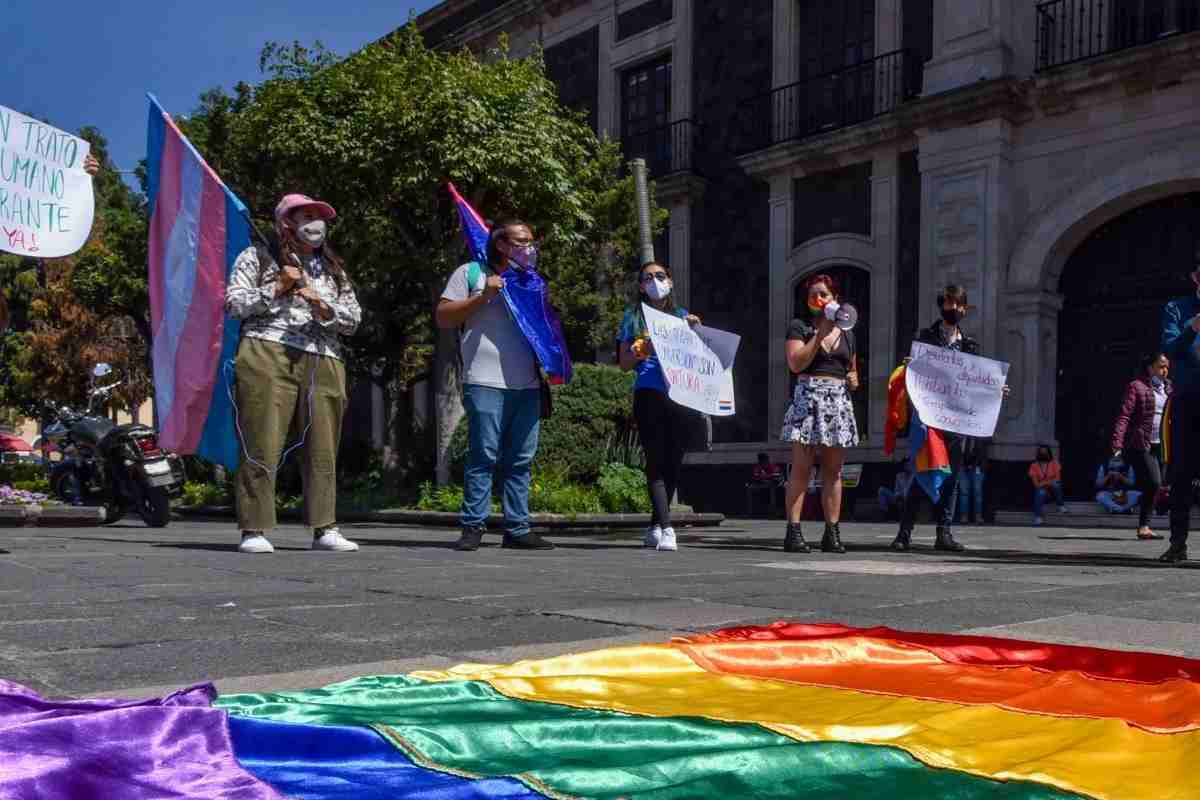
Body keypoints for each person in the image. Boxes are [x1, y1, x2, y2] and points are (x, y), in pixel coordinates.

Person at [224, 194, 362, 554]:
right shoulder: (257, 256)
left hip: (324, 356)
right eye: (308, 215)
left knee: (323, 445)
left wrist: (323, 305)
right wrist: (278, 286)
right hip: (267, 350)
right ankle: (254, 528)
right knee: (262, 438)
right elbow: (234, 303)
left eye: (321, 216)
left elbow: (353, 319)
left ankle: (325, 527)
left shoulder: (333, 269)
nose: (316, 223)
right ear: (287, 222)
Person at [437, 219, 554, 552]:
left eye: (532, 240)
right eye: (521, 240)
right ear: (501, 244)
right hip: (484, 379)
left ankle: (517, 528)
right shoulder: (471, 273)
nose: (529, 247)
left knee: (521, 458)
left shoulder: (533, 282)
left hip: (527, 382)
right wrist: (483, 295)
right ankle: (473, 526)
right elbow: (444, 316)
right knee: (484, 454)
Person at [891, 285, 1006, 552]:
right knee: (923, 474)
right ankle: (904, 533)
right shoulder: (925, 338)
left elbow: (977, 382)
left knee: (952, 479)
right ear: (942, 305)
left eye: (958, 304)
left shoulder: (970, 346)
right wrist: (909, 366)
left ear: (964, 309)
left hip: (956, 423)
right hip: (929, 420)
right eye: (948, 303)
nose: (953, 308)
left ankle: (944, 533)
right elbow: (913, 376)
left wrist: (996, 389)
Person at [618, 262, 700, 552]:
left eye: (660, 276)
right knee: (655, 458)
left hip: (680, 394)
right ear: (641, 286)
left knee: (674, 461)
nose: (655, 281)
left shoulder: (681, 317)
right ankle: (667, 528)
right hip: (649, 392)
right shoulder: (633, 317)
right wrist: (643, 349)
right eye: (648, 278)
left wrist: (695, 331)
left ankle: (655, 525)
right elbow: (625, 362)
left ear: (671, 281)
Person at [780, 273, 860, 553]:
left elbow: (851, 368)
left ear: (834, 298)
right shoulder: (800, 327)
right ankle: (793, 531)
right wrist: (820, 334)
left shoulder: (848, 331)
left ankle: (832, 532)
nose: (818, 299)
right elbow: (795, 363)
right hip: (808, 398)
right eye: (813, 295)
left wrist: (853, 379)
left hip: (837, 401)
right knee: (802, 469)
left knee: (834, 471)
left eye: (823, 294)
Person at [1160, 252, 1200, 563]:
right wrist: (1194, 328)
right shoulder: (1177, 308)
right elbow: (1171, 348)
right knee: (1182, 474)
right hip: (1188, 400)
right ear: (1196, 277)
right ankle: (1177, 543)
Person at [1111, 352, 1172, 540]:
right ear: (1150, 367)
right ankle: (1144, 526)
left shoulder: (1169, 388)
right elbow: (1124, 416)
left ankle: (1145, 525)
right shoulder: (1136, 387)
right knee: (1153, 482)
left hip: (1162, 444)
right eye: (1161, 366)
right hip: (1141, 442)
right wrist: (1117, 442)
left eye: (1167, 366)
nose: (1165, 370)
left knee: (1157, 485)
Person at [1029, 445, 1066, 526]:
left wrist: (1044, 482)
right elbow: (1036, 484)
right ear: (1038, 453)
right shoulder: (1034, 466)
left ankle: (1060, 505)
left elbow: (1057, 479)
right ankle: (1038, 517)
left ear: (1049, 453)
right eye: (1041, 451)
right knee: (1041, 492)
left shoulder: (1054, 463)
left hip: (1054, 491)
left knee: (1055, 484)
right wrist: (1048, 482)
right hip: (1044, 493)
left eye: (1045, 451)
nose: (1043, 453)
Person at [955, 442, 987, 525]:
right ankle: (964, 516)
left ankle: (978, 516)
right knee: (964, 493)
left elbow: (982, 451)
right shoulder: (961, 438)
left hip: (977, 467)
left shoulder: (979, 435)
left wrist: (975, 465)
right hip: (962, 467)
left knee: (977, 493)